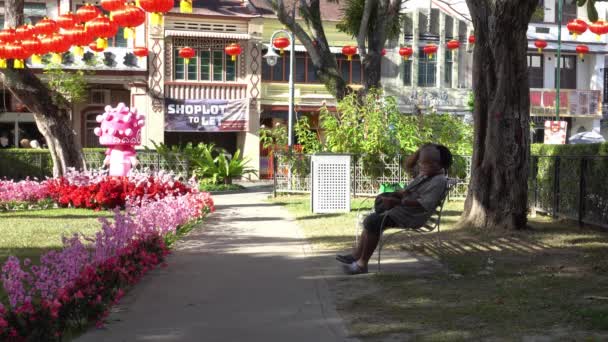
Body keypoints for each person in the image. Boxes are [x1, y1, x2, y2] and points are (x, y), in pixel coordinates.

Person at [337, 143, 453, 275]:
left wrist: (398, 202)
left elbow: (423, 204)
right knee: (373, 218)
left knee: (372, 221)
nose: (420, 165)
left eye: (423, 163)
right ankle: (357, 256)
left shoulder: (438, 181)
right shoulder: (426, 175)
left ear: (436, 164)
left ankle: (361, 264)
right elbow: (409, 182)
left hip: (411, 217)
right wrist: (396, 195)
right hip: (402, 211)